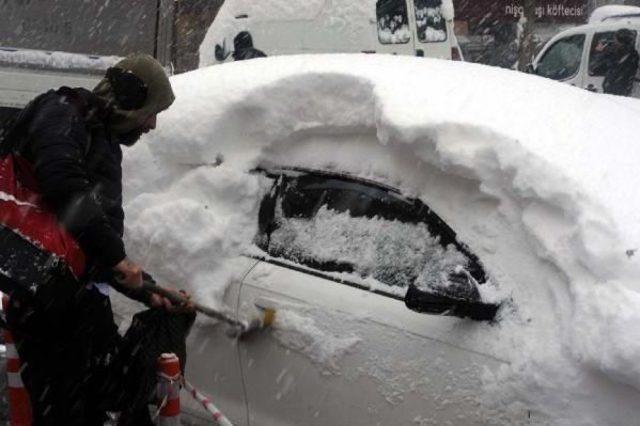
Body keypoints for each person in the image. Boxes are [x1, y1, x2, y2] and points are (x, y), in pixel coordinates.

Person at [0, 54, 195, 425]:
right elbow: (62, 182)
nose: (152, 124)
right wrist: (117, 258)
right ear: (129, 99)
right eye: (151, 112)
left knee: (115, 400)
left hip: (78, 302)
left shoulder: (104, 144)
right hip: (44, 302)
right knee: (66, 411)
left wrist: (148, 291)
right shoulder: (62, 111)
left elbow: (94, 242)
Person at [592, 28, 639, 96]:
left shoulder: (615, 55)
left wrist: (600, 52)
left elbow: (594, 69)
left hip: (614, 94)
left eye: (615, 40)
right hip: (624, 93)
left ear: (621, 43)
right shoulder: (634, 55)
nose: (614, 42)